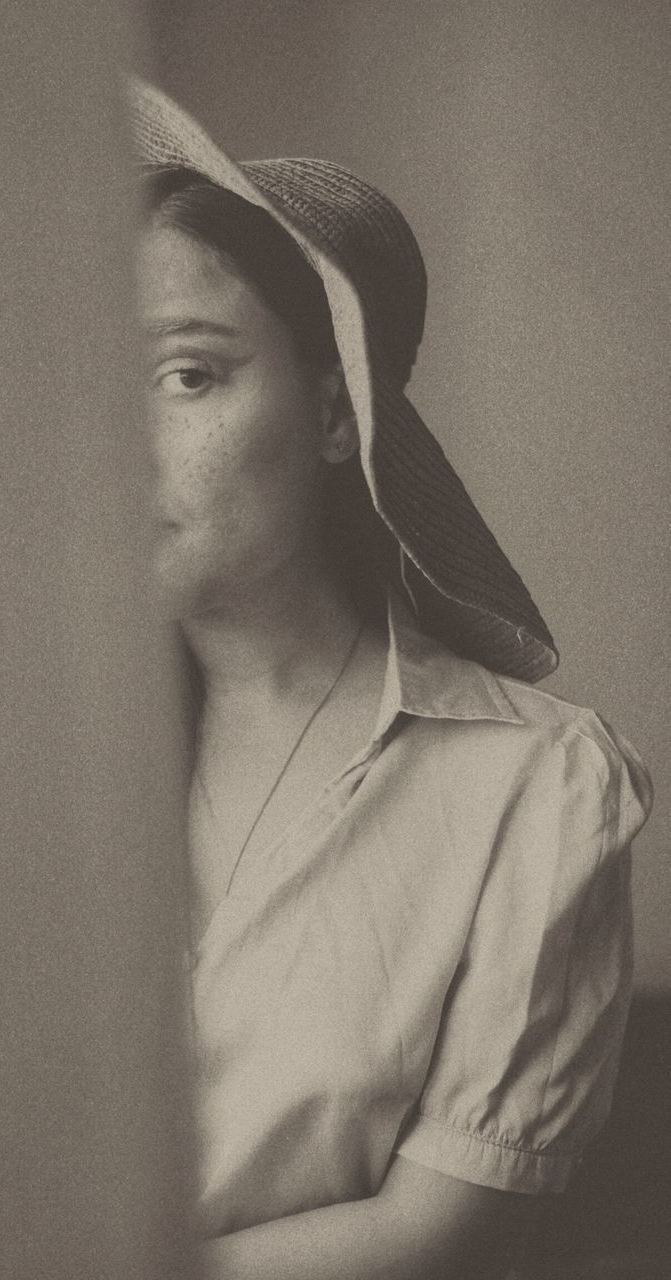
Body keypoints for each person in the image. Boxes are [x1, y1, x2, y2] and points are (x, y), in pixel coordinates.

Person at [131, 80, 653, 1280]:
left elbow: (442, 1240)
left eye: (185, 376)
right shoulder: (26, 758)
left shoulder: (539, 786)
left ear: (331, 415)